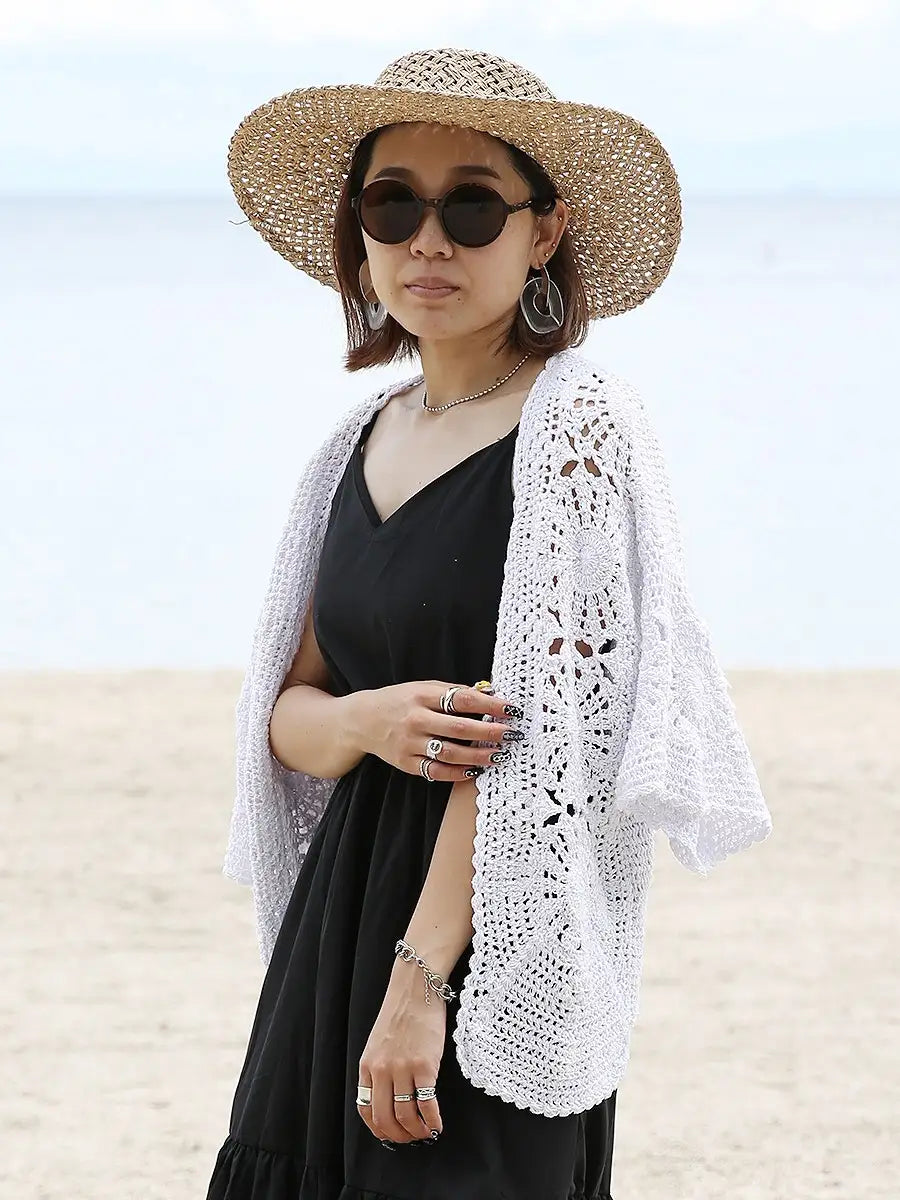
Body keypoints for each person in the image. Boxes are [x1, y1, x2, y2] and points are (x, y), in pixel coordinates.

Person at [205, 46, 772, 1200]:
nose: (429, 241)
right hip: (338, 925)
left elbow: (541, 740)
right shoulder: (355, 440)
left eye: (471, 207)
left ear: (545, 231)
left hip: (494, 933)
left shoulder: (577, 429)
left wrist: (422, 983)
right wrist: (367, 721)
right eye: (393, 205)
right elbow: (287, 719)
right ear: (359, 232)